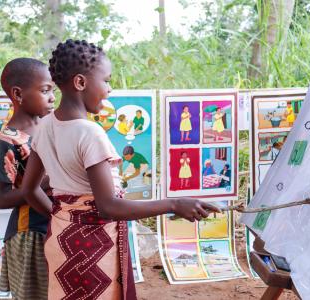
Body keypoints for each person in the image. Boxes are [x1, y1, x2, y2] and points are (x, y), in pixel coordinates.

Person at [21, 39, 220, 300]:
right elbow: (108, 207)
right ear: (80, 83)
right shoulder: (90, 133)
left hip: (60, 239)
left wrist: (63, 216)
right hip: (93, 248)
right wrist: (173, 204)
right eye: (106, 80)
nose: (110, 89)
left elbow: (29, 189)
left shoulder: (45, 125)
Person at [0, 58, 55, 299]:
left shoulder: (52, 128)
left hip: (56, 225)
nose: (52, 97)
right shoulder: (7, 141)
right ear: (18, 94)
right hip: (30, 232)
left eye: (53, 90)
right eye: (45, 90)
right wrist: (35, 186)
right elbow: (0, 199)